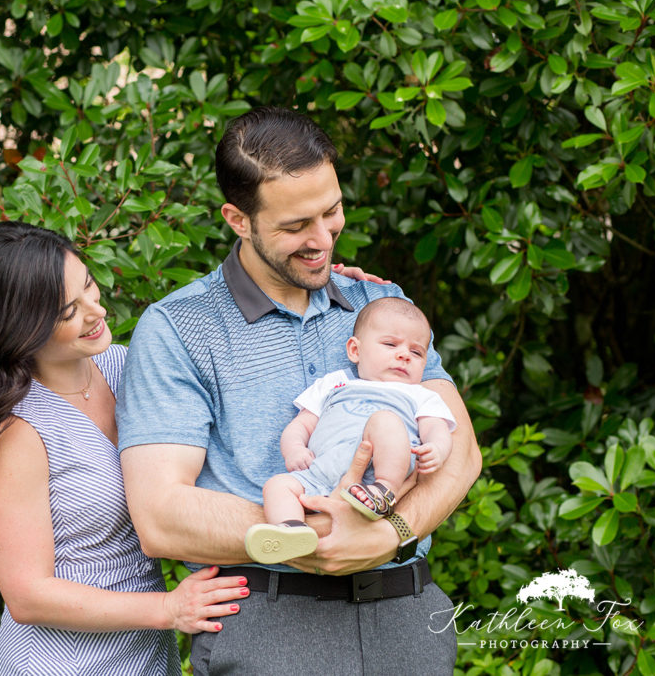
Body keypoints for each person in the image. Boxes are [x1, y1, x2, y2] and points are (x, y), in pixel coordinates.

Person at [117, 106, 482, 675]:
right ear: (238, 219)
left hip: (407, 617)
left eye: (331, 212)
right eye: (294, 227)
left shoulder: (378, 306)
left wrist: (391, 533)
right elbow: (161, 514)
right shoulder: (178, 329)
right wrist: (324, 537)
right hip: (270, 623)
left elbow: (462, 451)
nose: (321, 240)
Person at [0, 221, 249, 676]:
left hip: (147, 657)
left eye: (89, 286)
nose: (95, 310)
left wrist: (328, 292)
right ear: (17, 327)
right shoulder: (13, 426)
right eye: (67, 311)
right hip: (60, 662)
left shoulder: (124, 366)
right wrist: (168, 609)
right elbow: (27, 594)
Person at [245, 297, 457, 565]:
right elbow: (300, 425)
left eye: (416, 352)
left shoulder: (419, 395)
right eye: (390, 344)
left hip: (374, 476)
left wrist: (436, 449)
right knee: (277, 486)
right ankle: (292, 530)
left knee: (384, 420)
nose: (404, 354)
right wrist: (295, 449)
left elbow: (437, 430)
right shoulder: (334, 383)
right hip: (320, 473)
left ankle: (384, 492)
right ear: (355, 350)